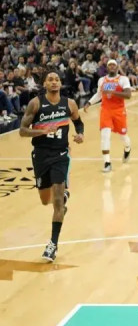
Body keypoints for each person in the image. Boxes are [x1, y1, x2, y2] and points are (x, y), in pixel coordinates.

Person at [19, 70, 85, 262]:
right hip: (40, 156)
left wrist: (80, 134)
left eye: (57, 79)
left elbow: (78, 123)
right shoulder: (36, 103)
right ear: (44, 84)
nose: (54, 82)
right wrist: (42, 131)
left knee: (56, 201)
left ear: (60, 84)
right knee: (44, 200)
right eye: (50, 79)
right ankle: (62, 199)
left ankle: (52, 245)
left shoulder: (69, 104)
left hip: (61, 155)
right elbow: (22, 131)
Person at [83, 59, 132, 172]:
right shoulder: (102, 80)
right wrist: (89, 103)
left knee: (123, 136)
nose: (112, 67)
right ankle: (107, 163)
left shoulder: (123, 79)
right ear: (107, 67)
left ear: (117, 67)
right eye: (110, 65)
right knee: (105, 136)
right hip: (106, 110)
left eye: (114, 65)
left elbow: (128, 95)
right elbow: (99, 94)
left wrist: (112, 92)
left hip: (119, 111)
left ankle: (127, 148)